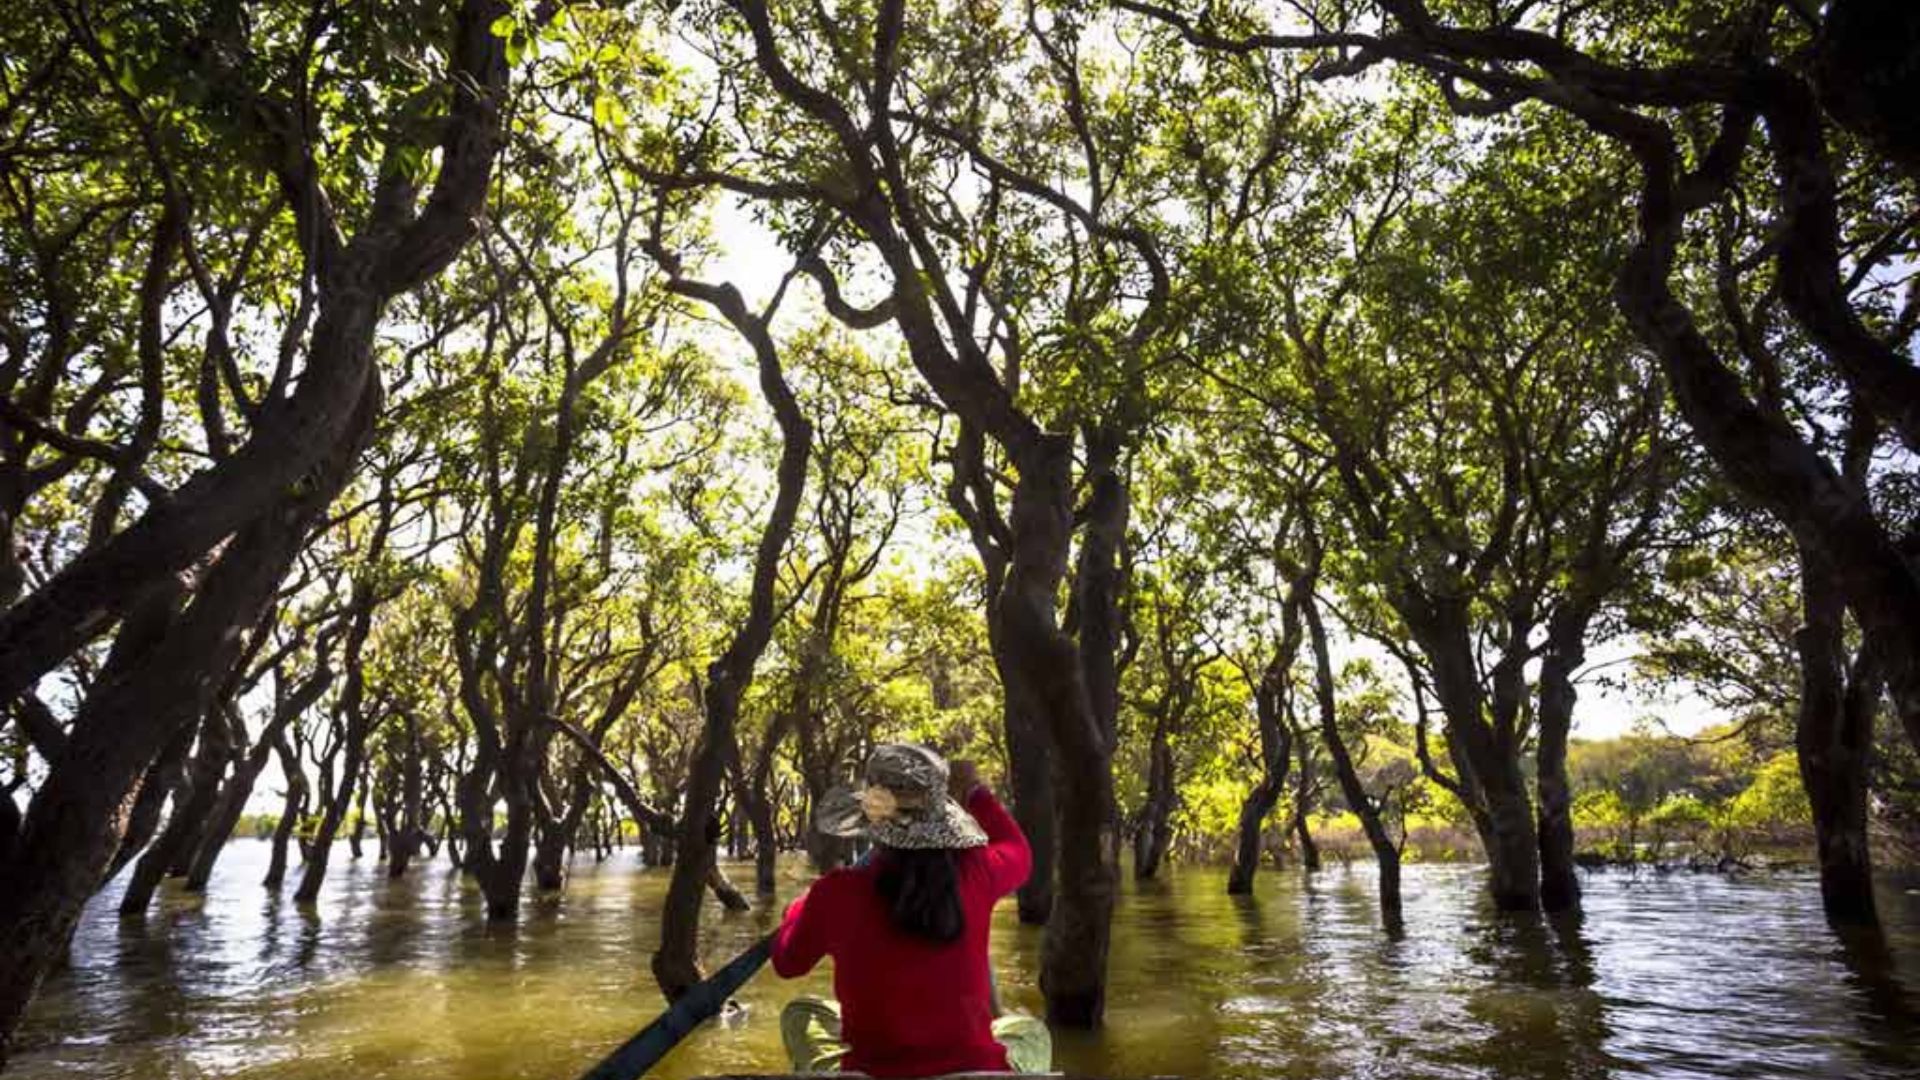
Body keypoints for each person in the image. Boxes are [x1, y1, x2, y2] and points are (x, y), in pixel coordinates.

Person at [771, 743, 1052, 1077]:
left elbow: (787, 963)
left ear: (871, 817)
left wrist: (796, 911)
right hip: (975, 1069)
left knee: (800, 1011)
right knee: (1031, 1031)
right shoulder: (977, 870)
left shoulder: (835, 892)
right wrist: (975, 792)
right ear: (943, 815)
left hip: (874, 1071)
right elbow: (1018, 851)